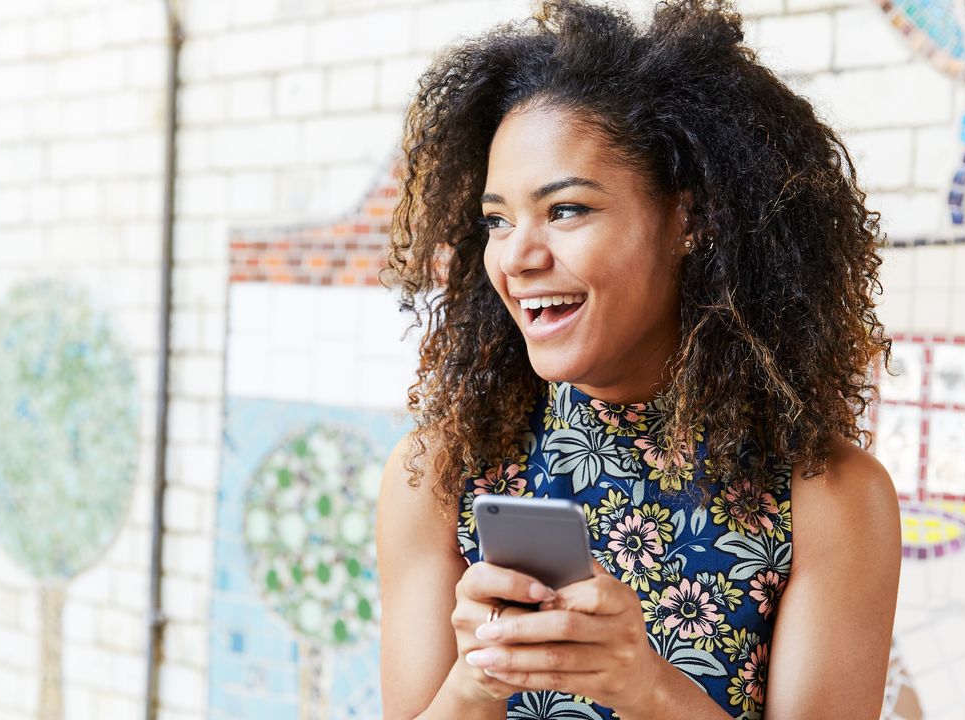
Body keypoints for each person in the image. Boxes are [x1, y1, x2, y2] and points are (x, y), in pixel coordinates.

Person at [376, 0, 902, 718]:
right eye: (497, 220)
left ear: (691, 220)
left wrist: (645, 686)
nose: (519, 257)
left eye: (566, 210)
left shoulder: (828, 499)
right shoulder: (440, 474)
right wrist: (478, 680)